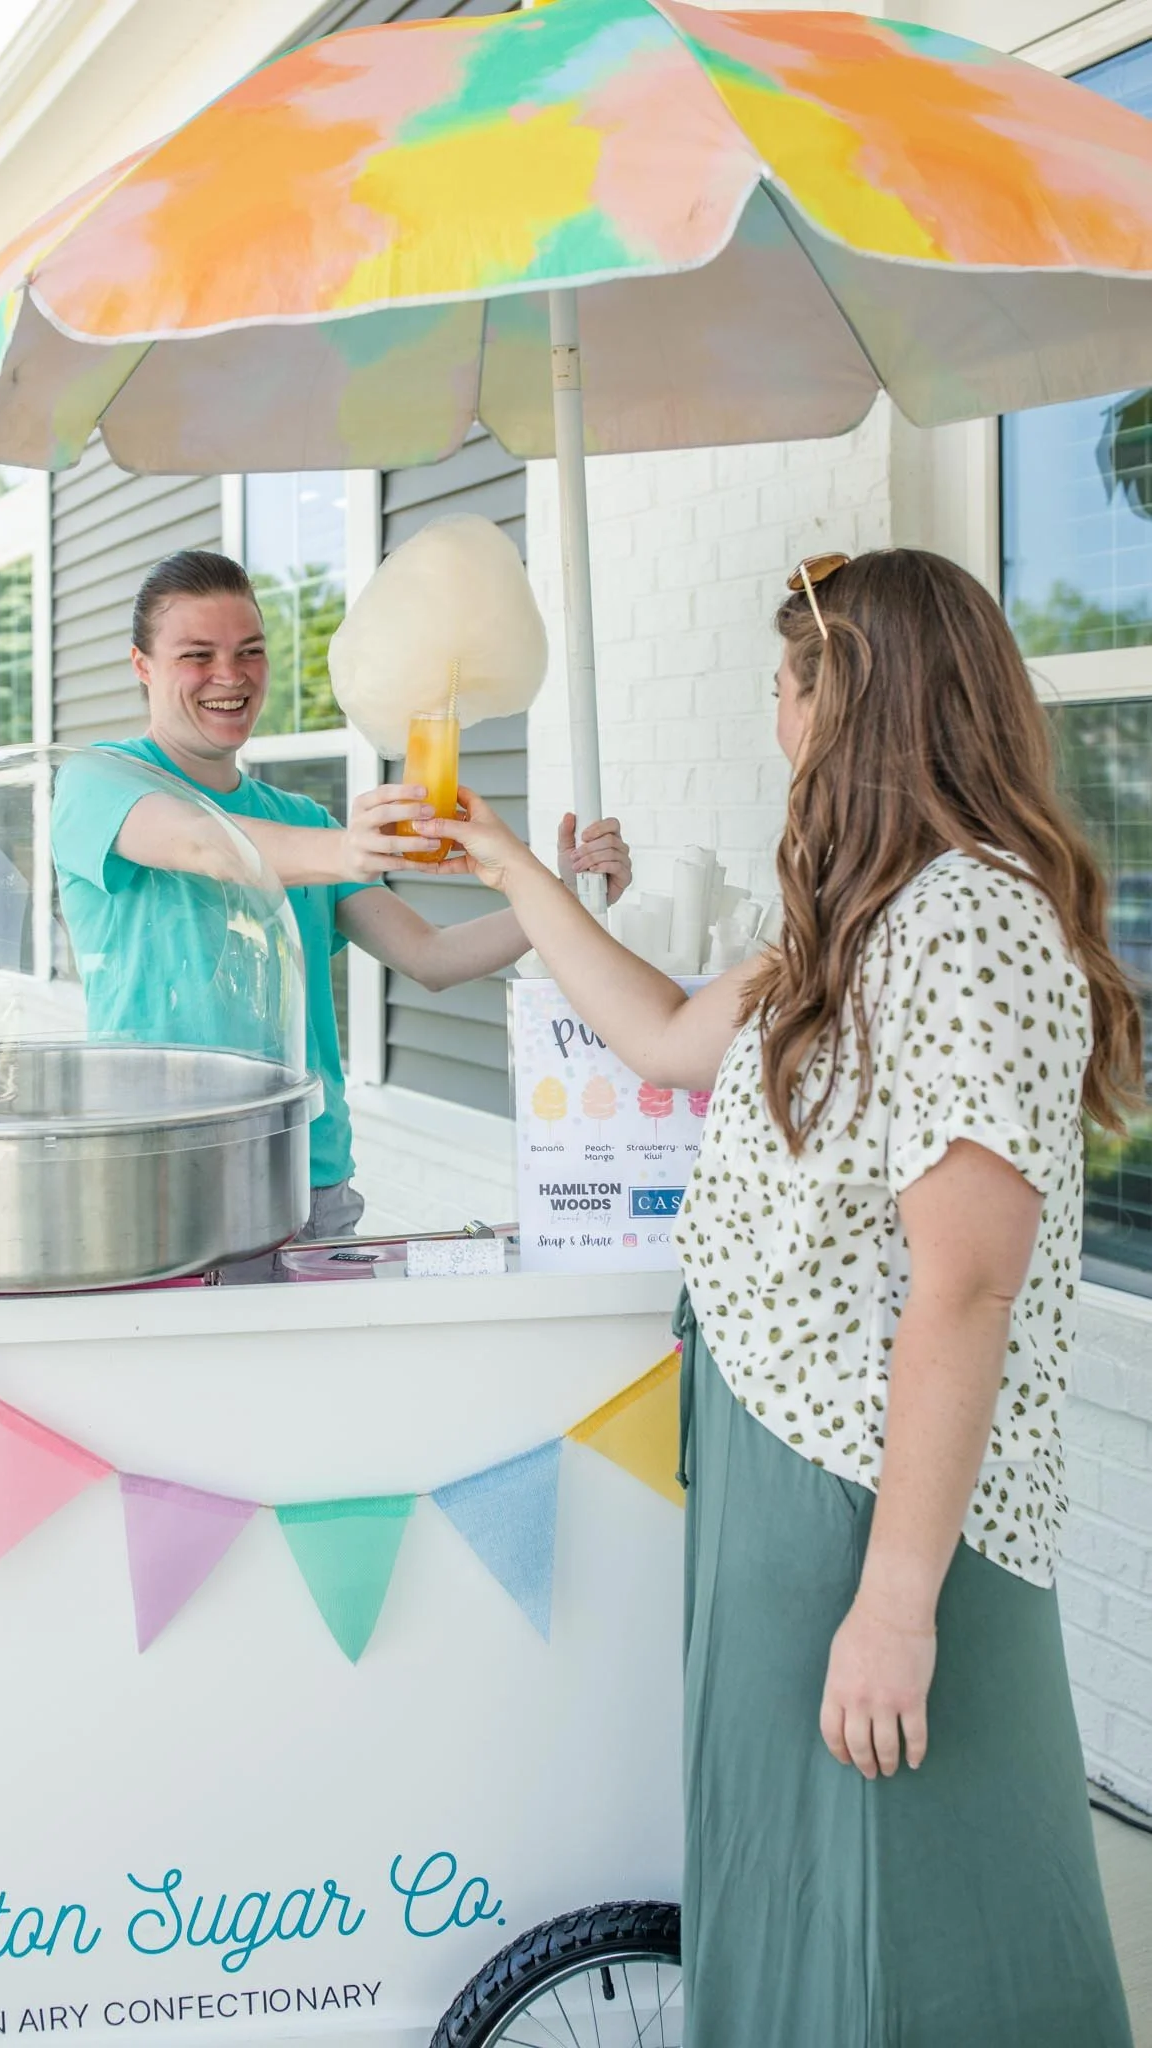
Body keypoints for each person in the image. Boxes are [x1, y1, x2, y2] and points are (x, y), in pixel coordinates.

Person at [428, 548, 1141, 2047]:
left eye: (784, 687)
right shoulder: (853, 915)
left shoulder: (971, 922)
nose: (773, 721)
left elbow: (964, 1283)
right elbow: (669, 1037)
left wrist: (893, 1606)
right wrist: (510, 865)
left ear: (857, 699)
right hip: (780, 1457)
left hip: (870, 1495)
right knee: (798, 1880)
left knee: (916, 1905)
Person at [51, 548, 631, 1241]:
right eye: (196, 655)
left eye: (250, 650)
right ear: (141, 665)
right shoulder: (96, 780)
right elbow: (202, 844)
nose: (229, 676)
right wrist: (346, 849)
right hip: (161, 1173)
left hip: (308, 1181)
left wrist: (553, 891)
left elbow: (433, 956)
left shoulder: (300, 821)